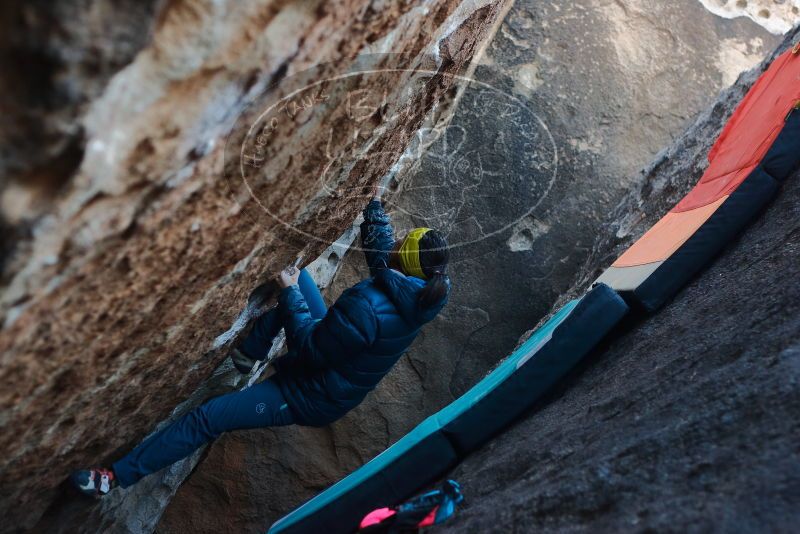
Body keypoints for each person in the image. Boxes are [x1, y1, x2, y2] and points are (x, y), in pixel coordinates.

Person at [71, 189, 451, 496]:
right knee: (297, 276)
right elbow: (382, 255)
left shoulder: (370, 307)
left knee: (208, 417)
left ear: (404, 259)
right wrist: (372, 204)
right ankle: (246, 356)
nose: (396, 239)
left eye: (401, 241)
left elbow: (308, 348)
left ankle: (113, 478)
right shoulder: (417, 294)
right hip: (330, 359)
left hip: (309, 392)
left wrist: (288, 295)